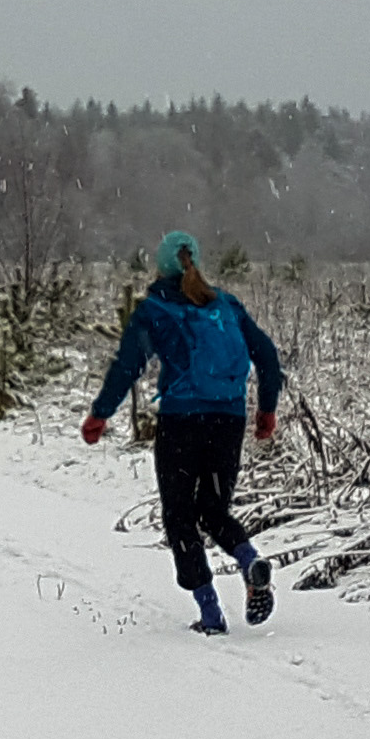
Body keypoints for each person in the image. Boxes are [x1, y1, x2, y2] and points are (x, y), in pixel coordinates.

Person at [81, 231, 286, 634]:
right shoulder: (225, 304)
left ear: (160, 266)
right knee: (213, 510)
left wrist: (100, 414)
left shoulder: (155, 309)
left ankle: (210, 614)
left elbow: (127, 365)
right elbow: (267, 355)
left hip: (181, 422)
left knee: (179, 516)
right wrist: (267, 409)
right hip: (228, 420)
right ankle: (249, 561)